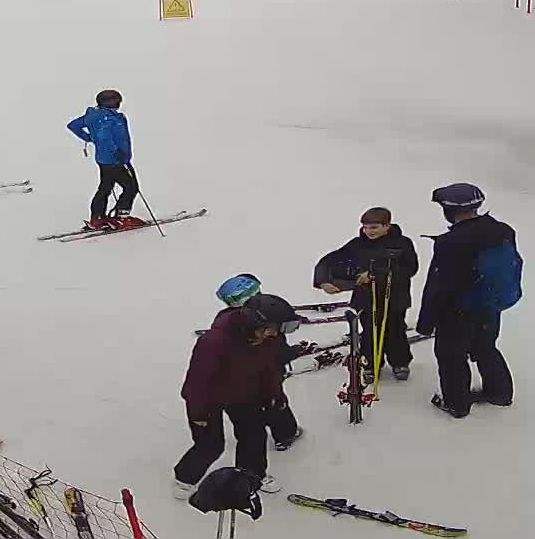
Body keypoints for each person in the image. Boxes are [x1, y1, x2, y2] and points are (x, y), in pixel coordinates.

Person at [174, 293, 298, 500]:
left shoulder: (268, 340)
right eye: (272, 328)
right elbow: (196, 383)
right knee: (211, 444)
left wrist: (273, 395)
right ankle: (184, 478)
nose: (276, 334)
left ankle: (251, 476)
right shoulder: (214, 342)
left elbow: (270, 369)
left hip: (246, 393)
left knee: (254, 435)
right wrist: (198, 414)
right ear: (255, 324)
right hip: (210, 398)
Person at [416, 183, 520, 417]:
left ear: (449, 210)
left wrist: (426, 322)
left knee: (451, 355)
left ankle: (456, 403)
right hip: (490, 305)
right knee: (485, 347)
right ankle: (500, 393)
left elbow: (438, 287)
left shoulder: (451, 243)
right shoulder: (503, 231)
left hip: (458, 311)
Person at [314, 207, 419, 383]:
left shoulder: (403, 243)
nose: (368, 231)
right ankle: (371, 364)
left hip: (394, 297)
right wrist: (323, 280)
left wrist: (374, 275)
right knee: (370, 331)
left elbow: (410, 269)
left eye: (374, 227)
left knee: (395, 330)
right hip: (366, 298)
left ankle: (400, 362)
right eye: (365, 227)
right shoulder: (357, 244)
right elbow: (329, 260)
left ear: (387, 226)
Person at [214, 274, 303, 452]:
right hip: (265, 378)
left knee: (252, 412)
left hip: (238, 386)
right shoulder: (265, 327)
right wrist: (294, 352)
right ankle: (286, 435)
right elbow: (276, 354)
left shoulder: (227, 320)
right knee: (276, 404)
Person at [67, 89, 140, 229]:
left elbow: (73, 125)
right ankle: (122, 218)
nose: (118, 103)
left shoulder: (94, 115)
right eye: (115, 101)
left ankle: (97, 218)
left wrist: (88, 137)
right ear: (108, 102)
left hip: (103, 159)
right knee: (131, 187)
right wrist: (116, 152)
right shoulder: (109, 118)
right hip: (116, 160)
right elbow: (104, 136)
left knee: (105, 187)